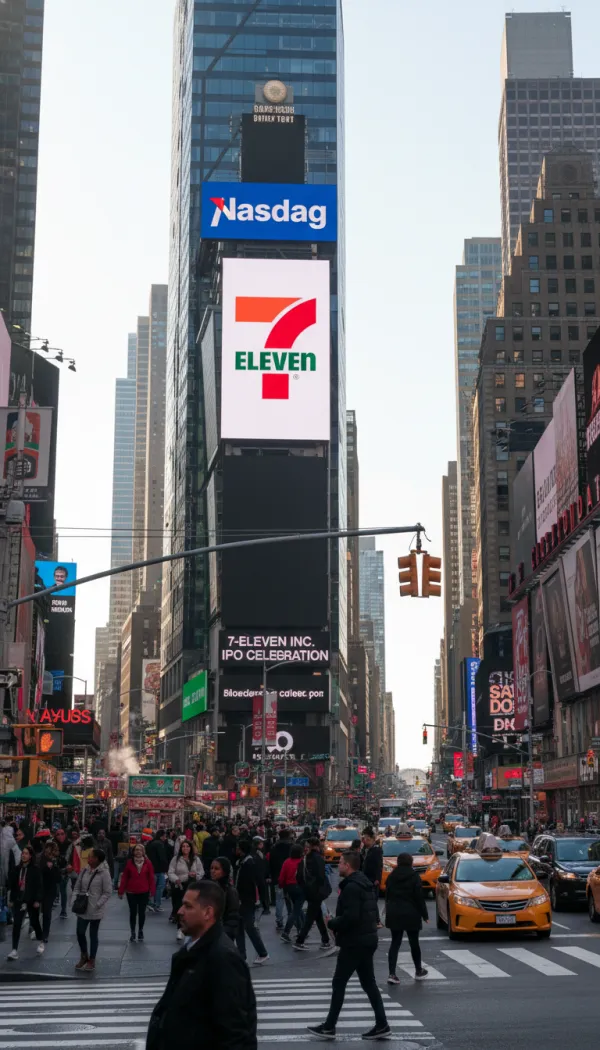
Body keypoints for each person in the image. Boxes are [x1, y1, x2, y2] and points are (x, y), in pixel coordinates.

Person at [146, 880, 257, 1050]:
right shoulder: (194, 950)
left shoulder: (222, 958)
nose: (180, 911)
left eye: (187, 906)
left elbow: (235, 1034)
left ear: (207, 913)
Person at [307, 851, 390, 1041]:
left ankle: (329, 1027)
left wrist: (332, 923)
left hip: (355, 942)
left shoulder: (352, 887)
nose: (339, 867)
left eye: (341, 863)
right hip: (367, 939)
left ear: (349, 866)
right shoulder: (364, 884)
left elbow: (352, 916)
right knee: (368, 983)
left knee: (339, 983)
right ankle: (382, 1024)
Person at [385, 852, 429, 983]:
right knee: (414, 942)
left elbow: (387, 894)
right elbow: (419, 898)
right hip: (411, 913)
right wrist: (425, 915)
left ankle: (392, 974)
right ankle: (418, 970)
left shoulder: (392, 876)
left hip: (394, 913)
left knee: (395, 943)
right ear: (411, 862)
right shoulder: (414, 876)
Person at [73, 847, 112, 972]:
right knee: (80, 932)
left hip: (95, 908)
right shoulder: (85, 870)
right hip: (83, 907)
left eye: (91, 856)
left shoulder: (104, 873)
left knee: (93, 934)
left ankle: (92, 959)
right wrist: (74, 899)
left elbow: (107, 892)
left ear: (97, 859)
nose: (88, 858)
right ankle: (84, 955)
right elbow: (77, 886)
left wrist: (98, 904)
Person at [234, 839, 269, 965]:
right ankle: (242, 954)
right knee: (240, 926)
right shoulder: (243, 862)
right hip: (243, 899)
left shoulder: (250, 863)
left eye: (238, 847)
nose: (236, 850)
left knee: (248, 926)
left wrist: (262, 900)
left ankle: (262, 953)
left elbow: (259, 881)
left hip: (248, 899)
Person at [6, 845, 44, 960]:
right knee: (17, 924)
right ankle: (14, 950)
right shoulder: (17, 869)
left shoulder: (35, 870)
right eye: (23, 853)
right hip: (19, 900)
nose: (23, 855)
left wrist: (37, 900)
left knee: (34, 922)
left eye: (26, 853)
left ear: (30, 856)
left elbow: (39, 886)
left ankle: (41, 941)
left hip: (31, 900)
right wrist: (11, 899)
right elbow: (12, 885)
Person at [294, 837, 331, 951]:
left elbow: (298, 876)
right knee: (310, 917)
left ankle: (326, 940)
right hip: (316, 891)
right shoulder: (318, 859)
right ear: (317, 846)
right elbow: (321, 876)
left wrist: (305, 887)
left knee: (317, 914)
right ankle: (300, 940)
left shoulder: (304, 859)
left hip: (308, 891)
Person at [119, 843, 156, 942]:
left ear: (143, 852)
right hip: (131, 891)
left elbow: (151, 877)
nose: (138, 852)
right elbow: (125, 877)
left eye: (140, 850)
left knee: (142, 912)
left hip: (144, 891)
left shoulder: (148, 863)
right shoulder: (129, 862)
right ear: (133, 852)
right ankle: (132, 932)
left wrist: (152, 890)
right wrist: (121, 891)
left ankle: (140, 930)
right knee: (133, 912)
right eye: (136, 850)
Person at [168, 839, 203, 941]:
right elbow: (170, 872)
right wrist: (176, 879)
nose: (185, 848)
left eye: (187, 846)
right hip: (180, 886)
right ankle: (180, 929)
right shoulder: (176, 859)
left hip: (192, 886)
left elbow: (201, 872)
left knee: (191, 908)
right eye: (183, 846)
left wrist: (196, 875)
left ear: (190, 848)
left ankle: (190, 928)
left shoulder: (196, 859)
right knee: (179, 908)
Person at [209, 856, 240, 941]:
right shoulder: (211, 887)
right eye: (211, 868)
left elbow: (233, 917)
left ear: (224, 871)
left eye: (216, 869)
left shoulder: (230, 891)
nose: (213, 871)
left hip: (223, 935)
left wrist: (224, 933)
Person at [279, 843, 304, 942]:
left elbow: (282, 877)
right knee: (296, 911)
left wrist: (282, 886)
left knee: (297, 909)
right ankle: (286, 932)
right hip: (300, 888)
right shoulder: (302, 862)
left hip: (289, 888)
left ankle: (300, 929)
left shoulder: (287, 862)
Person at [268, 828, 292, 931]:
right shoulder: (292, 847)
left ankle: (279, 920)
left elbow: (270, 863)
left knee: (279, 899)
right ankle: (293, 920)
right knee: (291, 900)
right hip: (291, 878)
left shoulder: (274, 848)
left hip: (277, 877)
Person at [40, 840, 62, 945]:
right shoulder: (40, 859)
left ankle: (45, 934)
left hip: (50, 890)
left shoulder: (56, 861)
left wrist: (53, 867)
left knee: (47, 912)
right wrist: (47, 867)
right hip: (39, 888)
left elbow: (58, 878)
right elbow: (38, 872)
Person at [146, 830, 169, 912]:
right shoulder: (160, 844)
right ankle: (157, 904)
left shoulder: (150, 843)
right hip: (159, 869)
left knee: (151, 887)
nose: (165, 838)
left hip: (151, 869)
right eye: (164, 836)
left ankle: (149, 902)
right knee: (160, 887)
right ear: (161, 836)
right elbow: (162, 858)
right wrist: (166, 868)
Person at [361, 828, 383, 895]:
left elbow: (379, 865)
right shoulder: (364, 850)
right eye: (364, 838)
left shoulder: (376, 850)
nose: (365, 840)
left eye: (367, 838)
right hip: (364, 879)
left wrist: (377, 879)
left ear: (372, 839)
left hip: (372, 880)